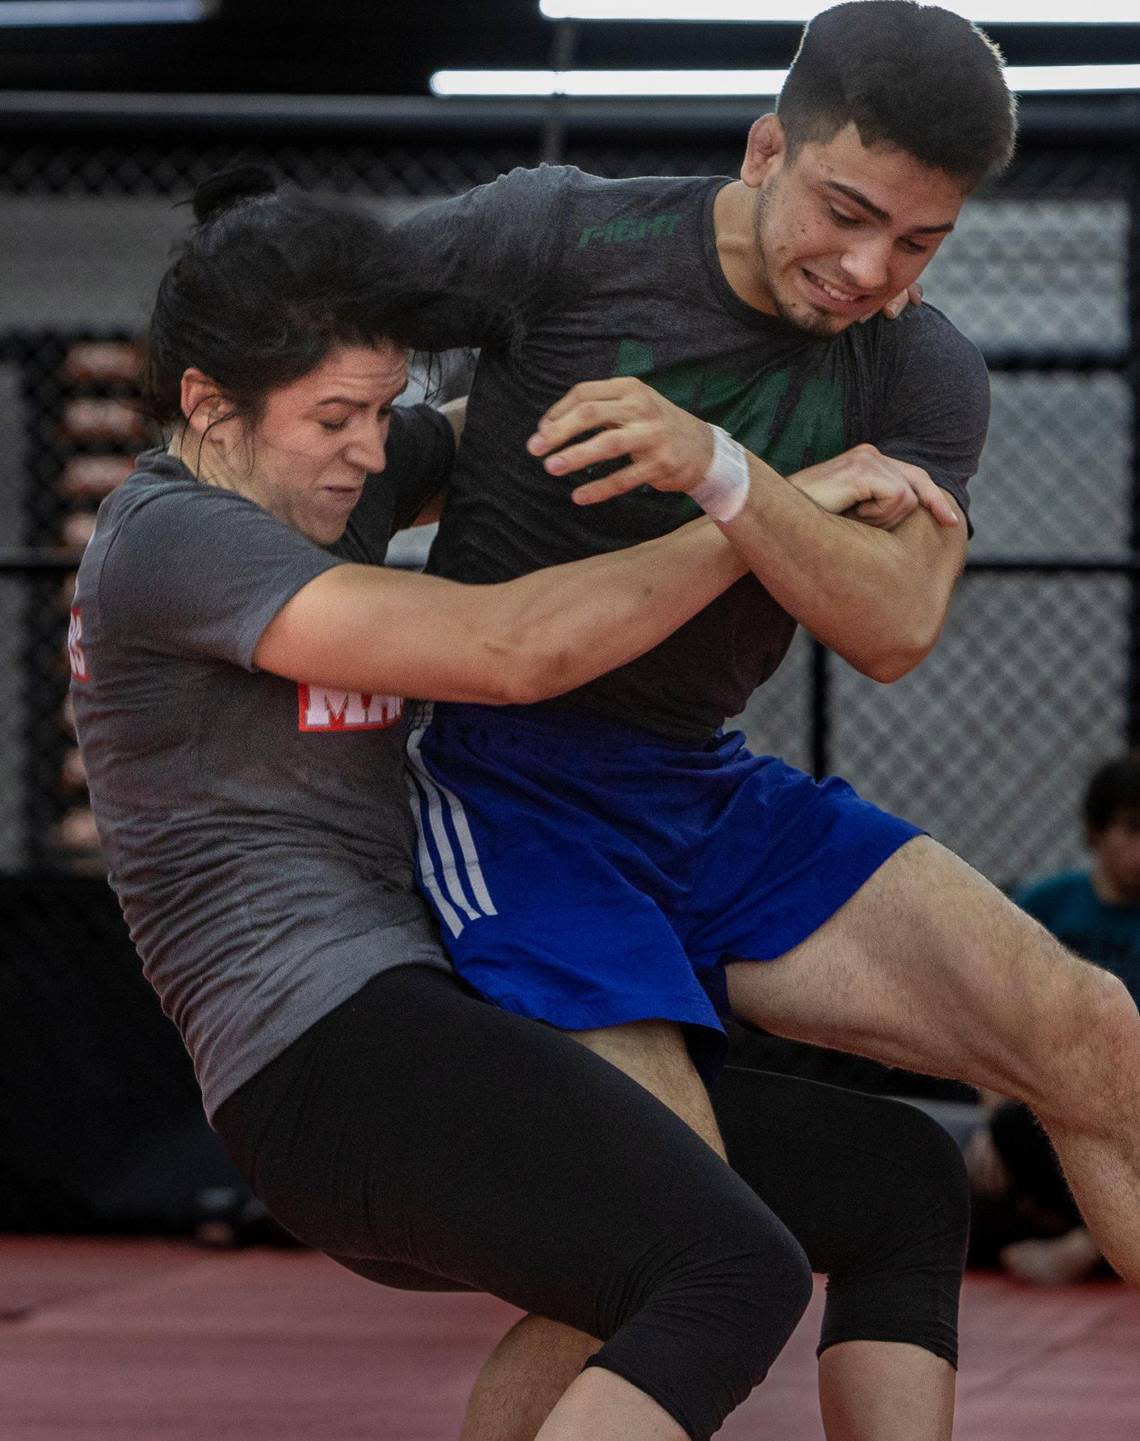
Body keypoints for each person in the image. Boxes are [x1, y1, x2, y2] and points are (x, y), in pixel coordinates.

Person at [70, 168, 975, 1441]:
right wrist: (754, 500)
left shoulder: (334, 474)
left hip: (425, 1008)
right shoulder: (169, 542)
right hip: (322, 1058)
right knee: (724, 1270)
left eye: (385, 410)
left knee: (897, 1178)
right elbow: (516, 650)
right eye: (335, 418)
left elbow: (498, 436)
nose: (372, 452)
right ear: (209, 406)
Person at [393, 0, 1140, 1428]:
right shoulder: (566, 234)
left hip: (706, 791)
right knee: (673, 1213)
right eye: (847, 213)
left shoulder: (924, 367)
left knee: (1093, 1029)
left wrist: (726, 472)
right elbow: (307, 336)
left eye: (919, 241)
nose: (870, 269)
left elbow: (897, 624)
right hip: (511, 793)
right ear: (764, 149)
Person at [968, 755, 1140, 1285]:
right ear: (1096, 831)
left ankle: (1090, 1244)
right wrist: (992, 1120)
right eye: (1134, 831)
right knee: (966, 1220)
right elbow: (986, 1014)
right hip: (1050, 1109)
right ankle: (1095, 1239)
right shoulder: (1049, 904)